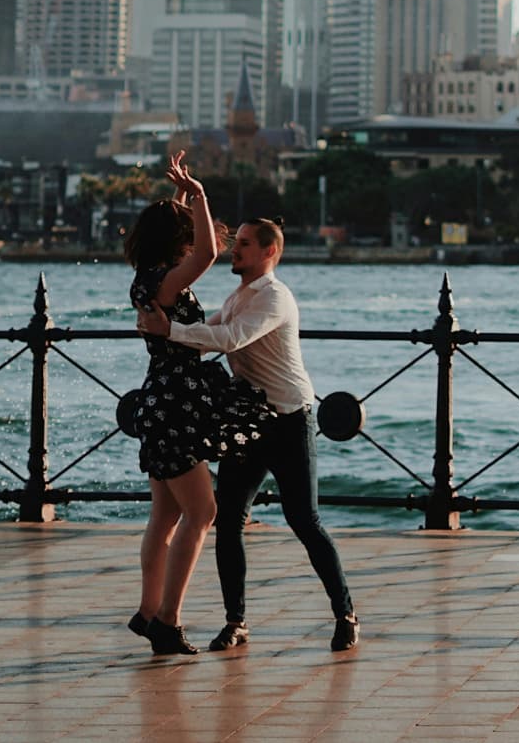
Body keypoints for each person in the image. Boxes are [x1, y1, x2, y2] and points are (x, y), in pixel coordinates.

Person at [139, 216, 360, 652]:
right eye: (235, 242)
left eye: (243, 244)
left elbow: (231, 339)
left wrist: (173, 330)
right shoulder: (238, 295)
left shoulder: (275, 298)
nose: (233, 250)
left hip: (290, 419)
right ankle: (236, 622)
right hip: (249, 423)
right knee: (229, 521)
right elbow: (205, 340)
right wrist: (159, 333)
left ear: (268, 252)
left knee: (304, 521)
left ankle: (346, 614)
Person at [125, 152, 273, 656]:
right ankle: (168, 620)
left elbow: (193, 245)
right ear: (173, 240)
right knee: (203, 512)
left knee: (164, 517)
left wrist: (185, 199)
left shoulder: (150, 276)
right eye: (184, 227)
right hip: (175, 405)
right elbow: (208, 253)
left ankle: (148, 612)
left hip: (162, 400)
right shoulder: (165, 281)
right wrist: (203, 197)